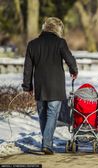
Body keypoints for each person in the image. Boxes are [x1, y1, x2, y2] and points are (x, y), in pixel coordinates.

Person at [22, 17, 78, 155]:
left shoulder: (32, 44)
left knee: (42, 114)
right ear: (58, 29)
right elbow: (69, 58)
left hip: (40, 85)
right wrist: (74, 70)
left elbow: (28, 68)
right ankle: (47, 143)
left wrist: (27, 86)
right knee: (52, 113)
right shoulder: (60, 42)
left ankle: (47, 142)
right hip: (56, 85)